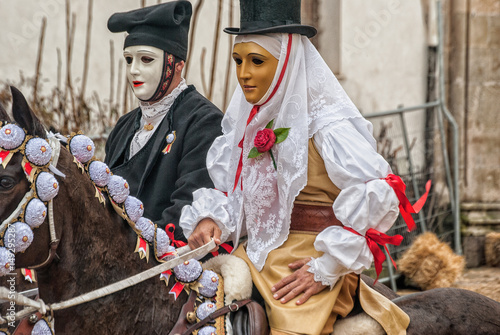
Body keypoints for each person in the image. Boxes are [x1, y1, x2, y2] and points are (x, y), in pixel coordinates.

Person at [180, 0, 419, 333]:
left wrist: (326, 267)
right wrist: (212, 218)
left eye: (257, 61)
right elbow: (240, 195)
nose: (244, 74)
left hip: (306, 264)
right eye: (238, 61)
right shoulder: (250, 126)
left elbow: (381, 190)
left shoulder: (327, 126)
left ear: (286, 65)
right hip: (254, 257)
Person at [105, 1, 223, 244]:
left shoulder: (204, 121)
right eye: (129, 60)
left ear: (177, 65)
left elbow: (187, 210)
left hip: (166, 266)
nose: (134, 71)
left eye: (146, 59)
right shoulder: (124, 126)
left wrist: (122, 247)